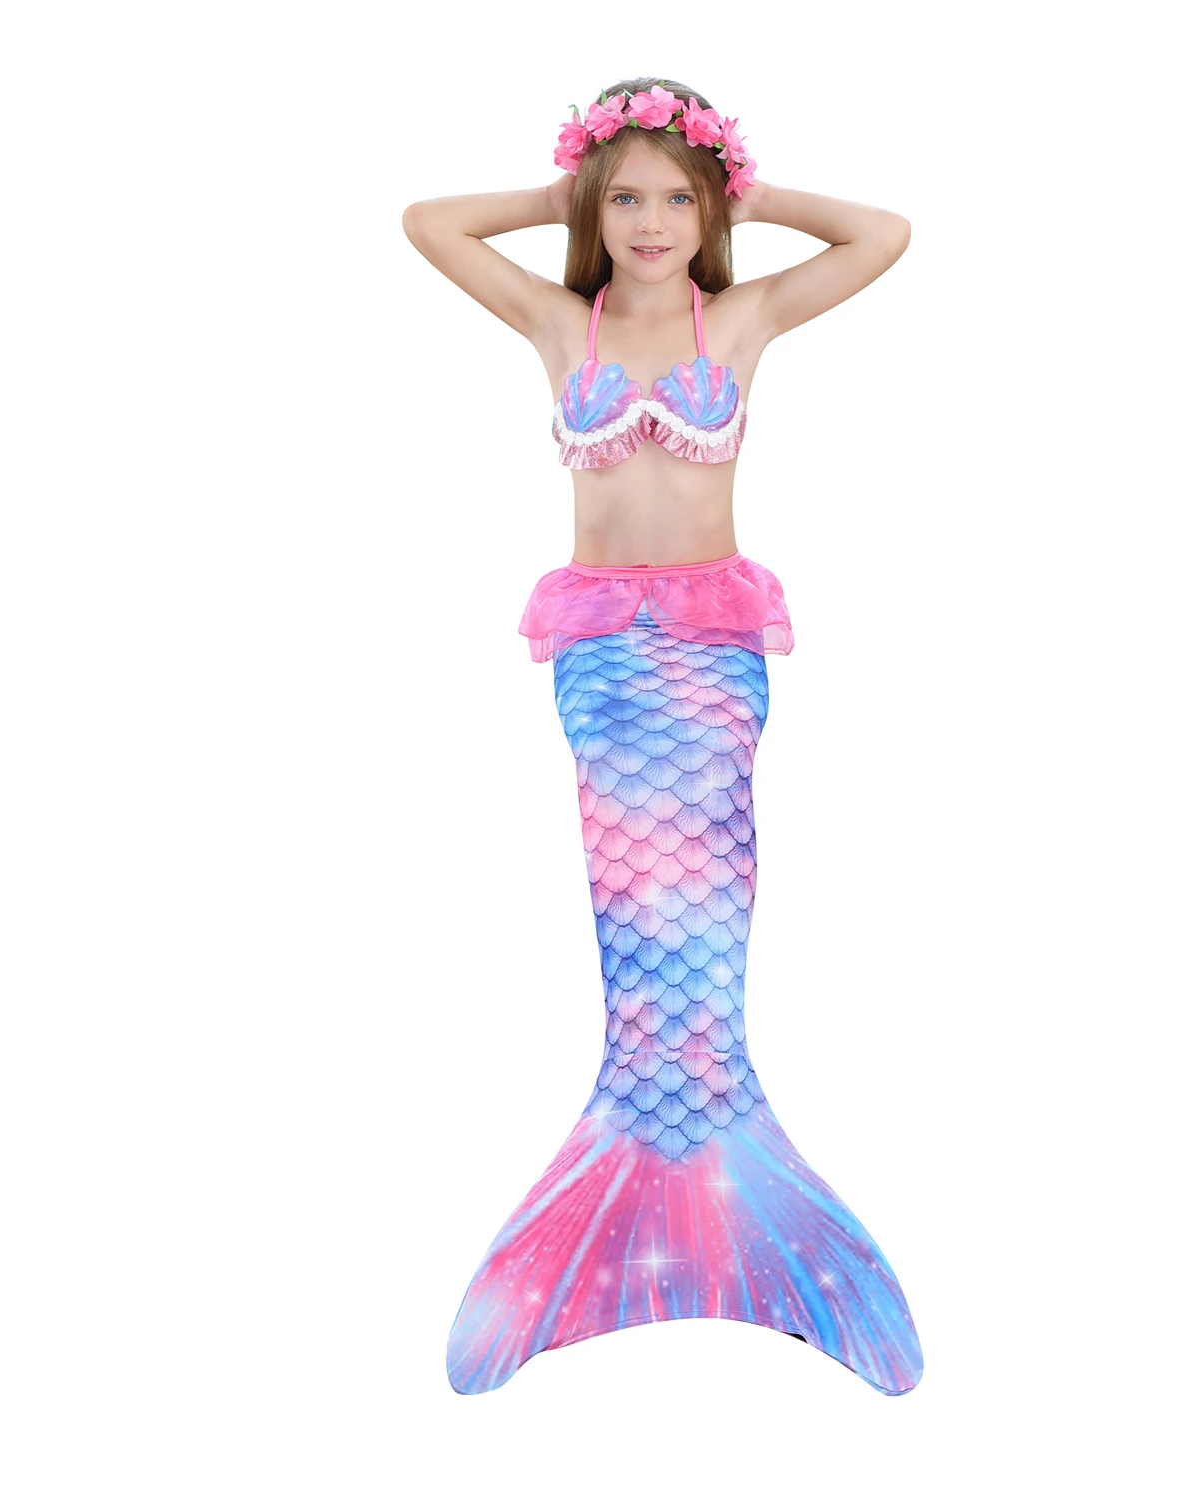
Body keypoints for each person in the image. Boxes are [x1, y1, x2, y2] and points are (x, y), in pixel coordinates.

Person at [402, 76, 922, 1395]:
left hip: (711, 657)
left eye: (675, 199)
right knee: (636, 930)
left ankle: (719, 1186)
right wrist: (558, 195)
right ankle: (649, 1184)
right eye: (624, 198)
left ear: (709, 210)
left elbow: (883, 235)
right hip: (603, 667)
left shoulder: (737, 318)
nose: (648, 222)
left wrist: (753, 190)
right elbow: (428, 223)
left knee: (709, 926)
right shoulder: (557, 320)